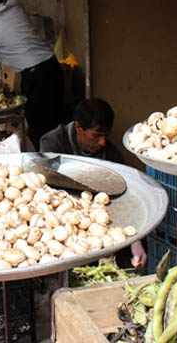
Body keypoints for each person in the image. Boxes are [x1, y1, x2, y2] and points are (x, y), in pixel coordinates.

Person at [39, 98, 147, 268]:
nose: (103, 142)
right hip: (59, 216)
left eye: (106, 135)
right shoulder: (54, 143)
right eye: (97, 135)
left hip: (96, 221)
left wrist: (135, 241)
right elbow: (47, 186)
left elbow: (125, 199)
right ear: (78, 127)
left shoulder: (112, 156)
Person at [0, 0, 64, 150]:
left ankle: (45, 167)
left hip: (37, 77)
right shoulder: (15, 6)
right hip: (53, 66)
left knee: (40, 128)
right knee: (57, 124)